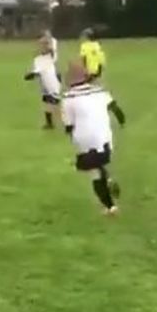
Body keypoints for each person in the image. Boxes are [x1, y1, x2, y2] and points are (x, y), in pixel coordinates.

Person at [61, 61, 127, 216]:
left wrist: (72, 138)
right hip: (105, 137)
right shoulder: (100, 92)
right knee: (100, 161)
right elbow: (116, 110)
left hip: (85, 140)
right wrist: (122, 122)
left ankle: (110, 207)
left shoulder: (68, 99)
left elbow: (69, 126)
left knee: (94, 172)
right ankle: (108, 179)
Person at [23, 40, 63, 129]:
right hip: (44, 83)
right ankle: (50, 123)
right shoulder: (40, 58)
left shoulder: (45, 58)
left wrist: (30, 75)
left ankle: (62, 122)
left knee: (54, 102)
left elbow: (37, 71)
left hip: (51, 82)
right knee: (48, 101)